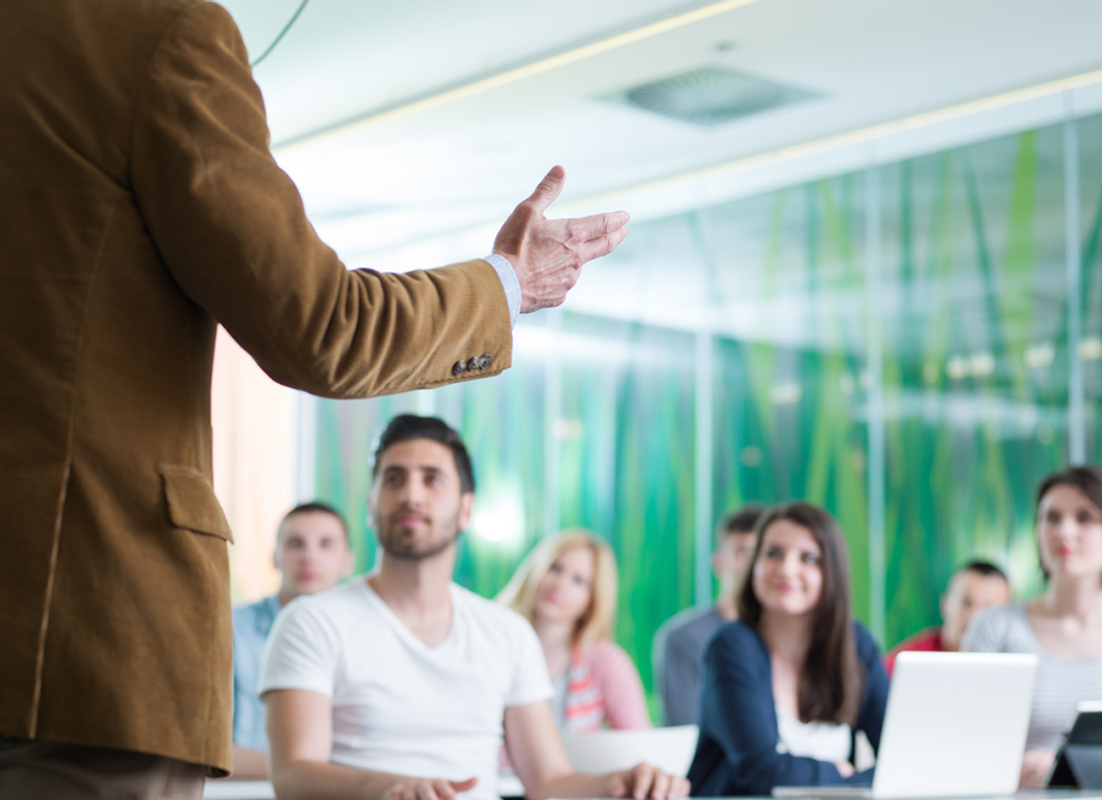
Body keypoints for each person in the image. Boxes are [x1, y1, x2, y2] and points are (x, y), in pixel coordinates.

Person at [0, 0, 631, 793]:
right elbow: (323, 327)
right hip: (81, 629)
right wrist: (507, 286)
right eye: (399, 475)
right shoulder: (148, 33)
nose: (413, 494)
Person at [259, 415, 688, 800]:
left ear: (466, 510)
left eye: (432, 479)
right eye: (394, 479)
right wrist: (391, 787)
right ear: (371, 507)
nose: (411, 494)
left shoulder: (506, 633)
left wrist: (620, 782)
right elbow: (293, 776)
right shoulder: (312, 621)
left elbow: (550, 782)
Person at [963, 465, 1102, 788]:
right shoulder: (994, 626)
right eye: (1052, 518)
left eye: (1085, 518)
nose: (1064, 532)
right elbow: (967, 745)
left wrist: (1064, 766)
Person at [687, 502, 889, 796]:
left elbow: (899, 761)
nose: (786, 569)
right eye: (772, 553)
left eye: (808, 558)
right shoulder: (731, 646)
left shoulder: (856, 644)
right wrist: (839, 772)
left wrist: (847, 779)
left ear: (832, 572)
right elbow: (761, 771)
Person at [231, 502, 355, 778]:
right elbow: (204, 752)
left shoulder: (370, 638)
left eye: (325, 544)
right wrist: (301, 771)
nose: (309, 556)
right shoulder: (229, 632)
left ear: (348, 562)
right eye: (295, 544)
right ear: (274, 557)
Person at [498, 531, 650, 732]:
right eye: (555, 568)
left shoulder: (606, 663)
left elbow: (639, 741)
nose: (560, 584)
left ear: (592, 601)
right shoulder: (492, 641)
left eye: (578, 581)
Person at [652, 505, 762, 726]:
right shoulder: (682, 638)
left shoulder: (785, 637)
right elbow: (684, 729)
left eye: (765, 553)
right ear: (718, 562)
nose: (753, 565)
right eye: (743, 553)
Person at [882, 560, 1010, 676]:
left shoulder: (1011, 668)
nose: (976, 617)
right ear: (944, 605)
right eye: (966, 603)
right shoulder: (899, 668)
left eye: (989, 610)